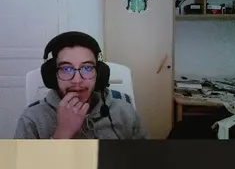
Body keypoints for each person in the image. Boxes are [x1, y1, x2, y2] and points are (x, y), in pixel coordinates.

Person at [13, 32, 146, 140]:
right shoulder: (32, 119)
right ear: (52, 75)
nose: (77, 80)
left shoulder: (124, 112)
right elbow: (22, 167)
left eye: (87, 68)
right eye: (66, 68)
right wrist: (62, 134)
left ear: (99, 73)